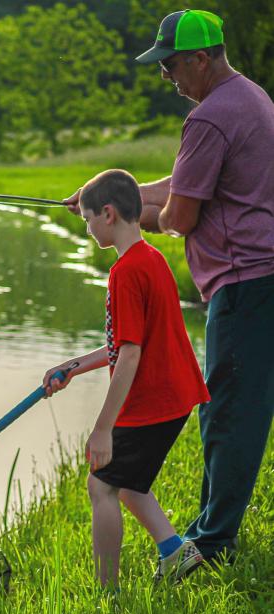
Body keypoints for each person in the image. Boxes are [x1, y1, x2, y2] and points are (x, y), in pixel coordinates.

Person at [65, 10, 274, 566]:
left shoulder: (209, 119)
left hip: (245, 280)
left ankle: (214, 542)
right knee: (229, 408)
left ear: (201, 59)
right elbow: (179, 183)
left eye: (172, 66)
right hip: (256, 280)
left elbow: (179, 215)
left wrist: (125, 219)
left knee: (231, 412)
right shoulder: (249, 99)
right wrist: (104, 197)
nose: (167, 78)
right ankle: (209, 532)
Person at [44, 169, 210, 587]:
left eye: (87, 219)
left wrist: (104, 430)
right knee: (130, 483)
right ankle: (175, 552)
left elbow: (131, 355)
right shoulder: (150, 260)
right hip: (173, 397)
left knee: (101, 485)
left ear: (108, 214)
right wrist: (73, 367)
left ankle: (108, 593)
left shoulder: (125, 273)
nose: (85, 227)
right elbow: (126, 343)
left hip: (153, 400)